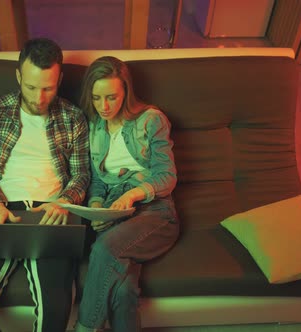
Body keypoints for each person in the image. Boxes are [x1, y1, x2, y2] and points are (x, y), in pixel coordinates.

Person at [0, 38, 90, 332]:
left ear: (60, 80)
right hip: (3, 210)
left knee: (55, 313)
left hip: (51, 214)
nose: (39, 98)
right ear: (18, 76)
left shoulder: (73, 118)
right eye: (30, 87)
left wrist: (63, 201)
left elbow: (81, 175)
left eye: (48, 88)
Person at [75, 56, 180, 332]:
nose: (104, 106)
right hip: (114, 213)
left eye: (112, 97)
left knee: (105, 248)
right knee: (123, 292)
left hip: (154, 211)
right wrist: (97, 206)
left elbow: (167, 176)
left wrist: (133, 194)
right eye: (97, 98)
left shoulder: (151, 120)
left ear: (126, 91)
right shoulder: (94, 126)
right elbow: (98, 180)